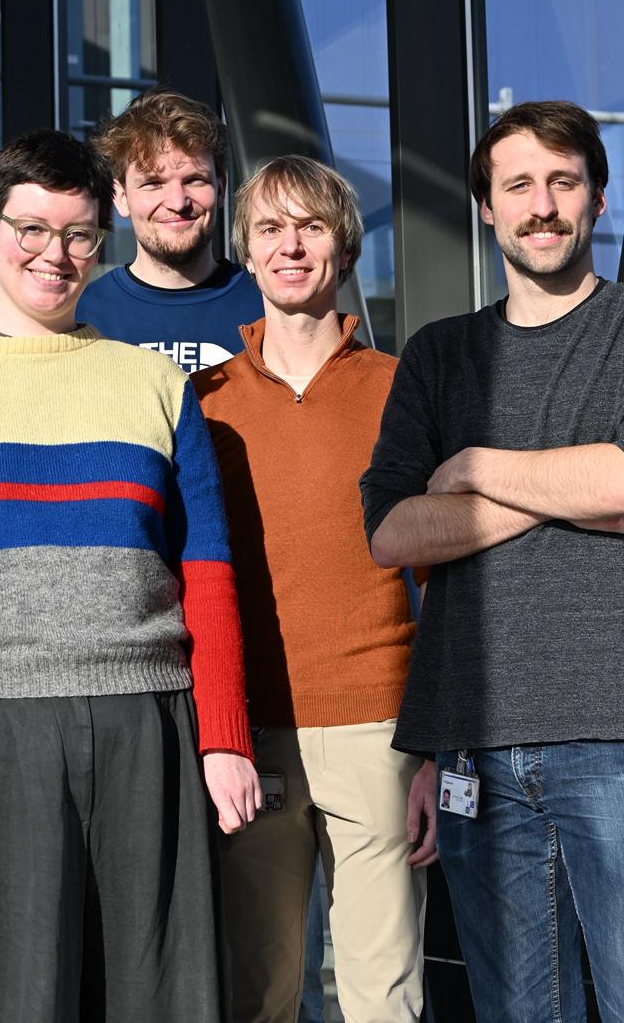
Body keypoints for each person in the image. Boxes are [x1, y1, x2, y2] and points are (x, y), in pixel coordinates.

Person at [0, 129, 261, 1022]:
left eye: (79, 234)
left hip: (146, 724)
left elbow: (206, 571)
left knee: (156, 993)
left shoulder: (155, 385)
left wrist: (224, 737)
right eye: (33, 230)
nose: (57, 254)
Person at [360, 100, 624, 1022]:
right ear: (487, 208)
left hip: (621, 732)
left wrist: (476, 469)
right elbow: (393, 533)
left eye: (563, 183)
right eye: (518, 185)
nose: (542, 206)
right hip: (474, 744)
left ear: (597, 200)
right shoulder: (441, 356)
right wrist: (567, 490)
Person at [193, 155, 435, 1023]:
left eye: (311, 227)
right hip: (250, 734)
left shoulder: (404, 387)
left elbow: (440, 576)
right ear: (247, 254)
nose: (290, 246)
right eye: (270, 229)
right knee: (255, 992)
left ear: (344, 247)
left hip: (379, 728)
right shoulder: (203, 401)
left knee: (386, 993)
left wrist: (434, 747)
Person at [79, 86, 263, 372]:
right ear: (121, 197)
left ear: (222, 187)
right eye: (153, 183)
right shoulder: (82, 316)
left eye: (195, 180)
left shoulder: (269, 308)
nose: (178, 202)